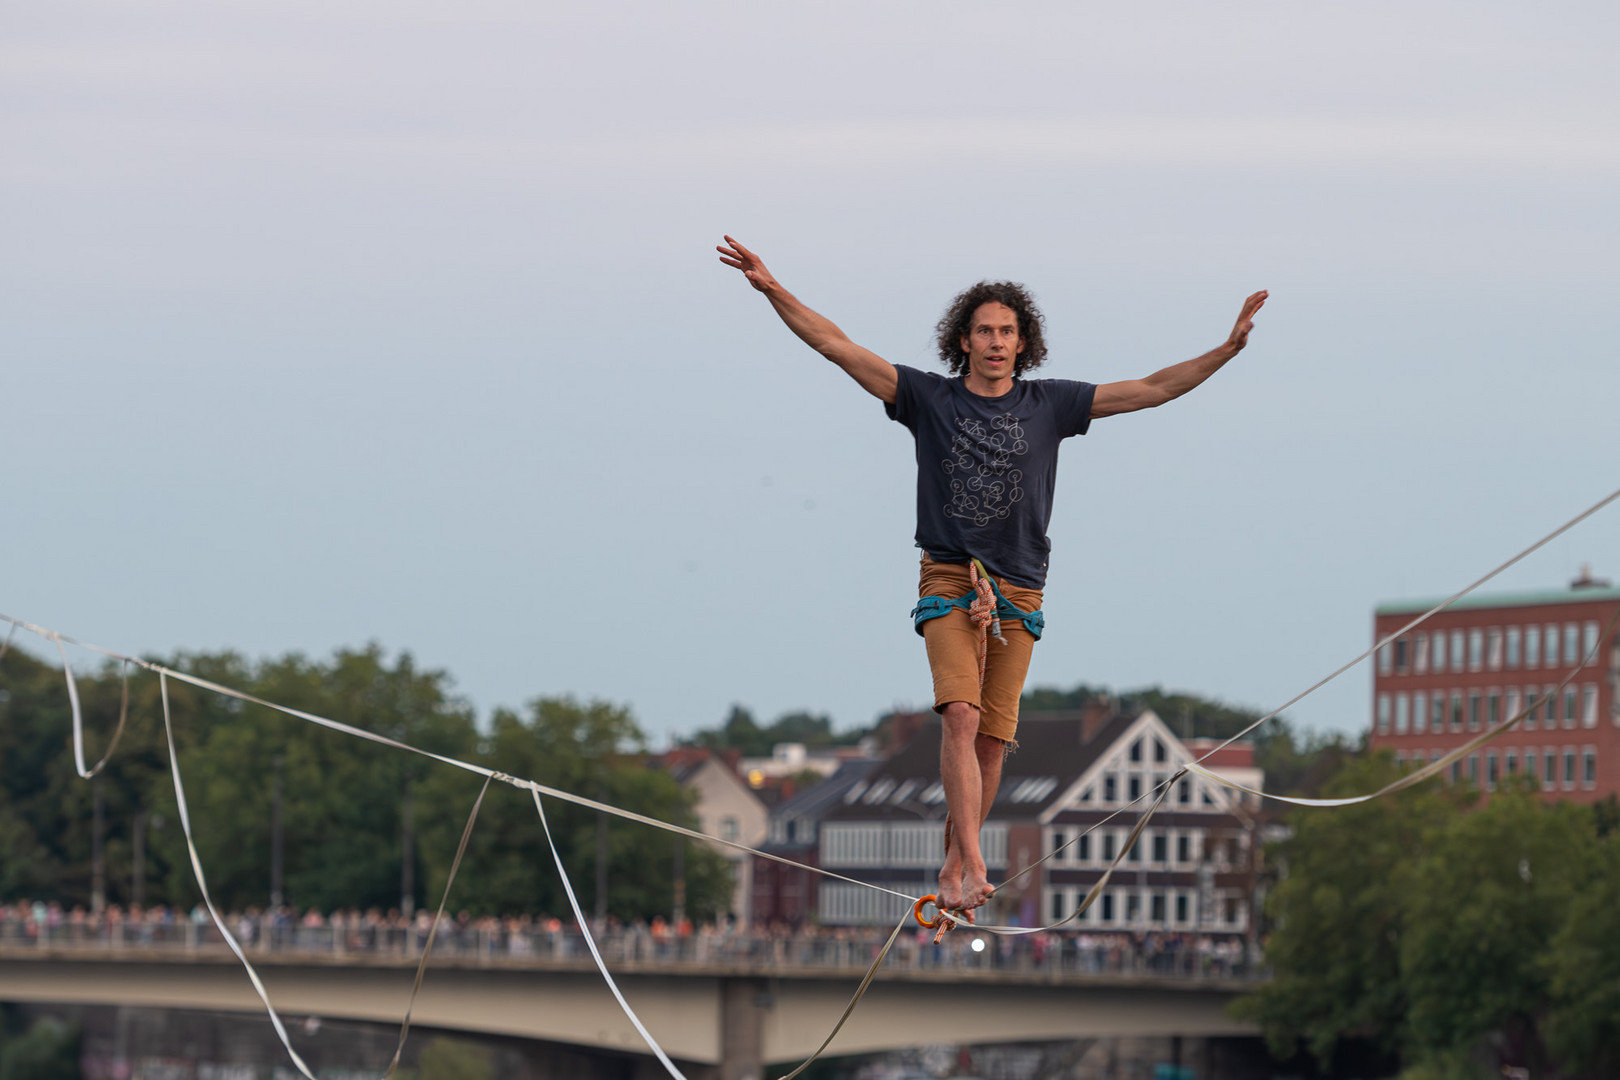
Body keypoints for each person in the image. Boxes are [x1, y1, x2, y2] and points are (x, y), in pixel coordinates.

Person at [718, 236, 1266, 915]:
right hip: (949, 579)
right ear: (965, 341)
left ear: (1022, 341)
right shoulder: (928, 399)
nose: (997, 341)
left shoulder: (1051, 406)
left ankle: (956, 865)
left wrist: (1226, 349)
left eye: (1008, 331)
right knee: (961, 714)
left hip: (1020, 591)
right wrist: (774, 289)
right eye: (985, 331)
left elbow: (1152, 389)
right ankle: (974, 861)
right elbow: (837, 346)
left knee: (995, 740)